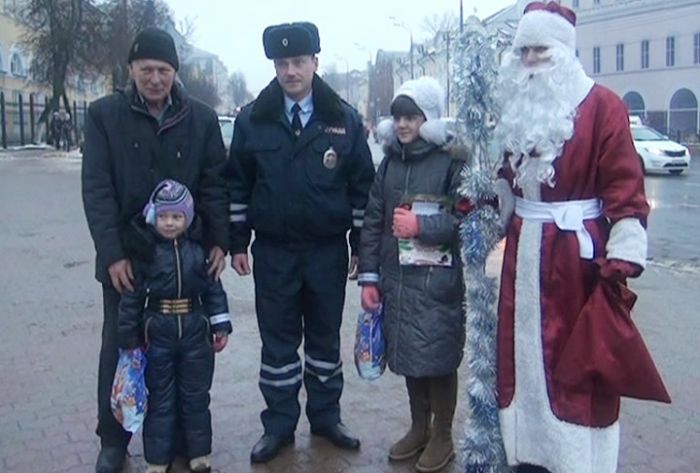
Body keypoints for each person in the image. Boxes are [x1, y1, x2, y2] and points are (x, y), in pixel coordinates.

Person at [492, 3, 668, 472]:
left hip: (576, 264)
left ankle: (575, 460)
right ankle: (529, 453)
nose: (530, 60)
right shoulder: (516, 110)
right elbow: (505, 185)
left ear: (565, 52)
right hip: (523, 257)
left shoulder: (602, 106)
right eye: (523, 50)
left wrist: (622, 261)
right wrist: (485, 203)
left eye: (540, 50)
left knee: (575, 365)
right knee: (523, 361)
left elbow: (626, 194)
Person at [82, 27, 229, 473]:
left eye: (163, 70)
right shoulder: (104, 115)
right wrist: (112, 255)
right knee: (122, 345)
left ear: (175, 73)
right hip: (129, 261)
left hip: (185, 262)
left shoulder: (200, 119)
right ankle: (114, 437)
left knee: (186, 351)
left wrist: (219, 239)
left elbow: (215, 184)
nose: (155, 79)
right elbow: (97, 189)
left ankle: (181, 437)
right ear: (131, 70)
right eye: (146, 69)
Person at [228, 21, 375, 463]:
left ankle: (327, 418)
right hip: (273, 253)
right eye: (282, 63)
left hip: (326, 252)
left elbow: (361, 189)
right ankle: (278, 426)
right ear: (274, 66)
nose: (290, 71)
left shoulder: (342, 119)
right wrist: (237, 241)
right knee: (277, 344)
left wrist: (359, 245)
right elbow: (237, 184)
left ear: (315, 61)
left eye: (298, 61)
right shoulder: (253, 119)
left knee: (325, 341)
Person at [357, 77, 467, 473]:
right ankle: (419, 427)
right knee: (407, 352)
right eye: (398, 117)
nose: (403, 125)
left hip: (436, 283)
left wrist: (423, 228)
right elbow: (373, 221)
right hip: (396, 279)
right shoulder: (389, 162)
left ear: (429, 119)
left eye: (412, 117)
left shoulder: (452, 160)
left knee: (437, 356)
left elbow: (467, 219)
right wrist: (369, 277)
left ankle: (443, 434)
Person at [117, 180, 232, 473]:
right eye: (164, 216)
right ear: (154, 217)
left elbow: (213, 289)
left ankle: (199, 454)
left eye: (177, 217)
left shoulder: (198, 251)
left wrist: (220, 325)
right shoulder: (146, 252)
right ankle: (158, 458)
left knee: (196, 396)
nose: (169, 223)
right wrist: (129, 337)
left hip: (195, 329)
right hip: (157, 332)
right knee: (160, 399)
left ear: (187, 218)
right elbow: (132, 296)